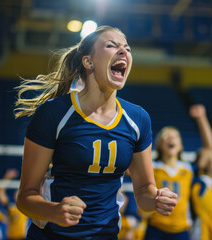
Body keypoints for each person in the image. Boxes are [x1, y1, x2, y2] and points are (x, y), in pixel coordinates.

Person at [14, 25, 177, 239]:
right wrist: (53, 211)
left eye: (127, 48)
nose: (124, 52)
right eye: (112, 45)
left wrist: (156, 199)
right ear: (88, 61)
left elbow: (144, 192)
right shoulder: (54, 112)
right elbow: (25, 197)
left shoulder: (138, 119)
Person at [144, 104, 212, 240]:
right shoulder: (152, 167)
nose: (171, 138)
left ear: (181, 145)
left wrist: (201, 118)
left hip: (181, 229)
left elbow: (209, 147)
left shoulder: (188, 169)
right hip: (155, 227)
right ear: (159, 144)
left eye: (175, 136)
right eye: (166, 136)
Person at [0, 169, 28, 240]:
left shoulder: (26, 207)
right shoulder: (11, 207)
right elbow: (0, 192)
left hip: (22, 237)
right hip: (11, 237)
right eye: (17, 193)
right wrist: (7, 178)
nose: (18, 194)